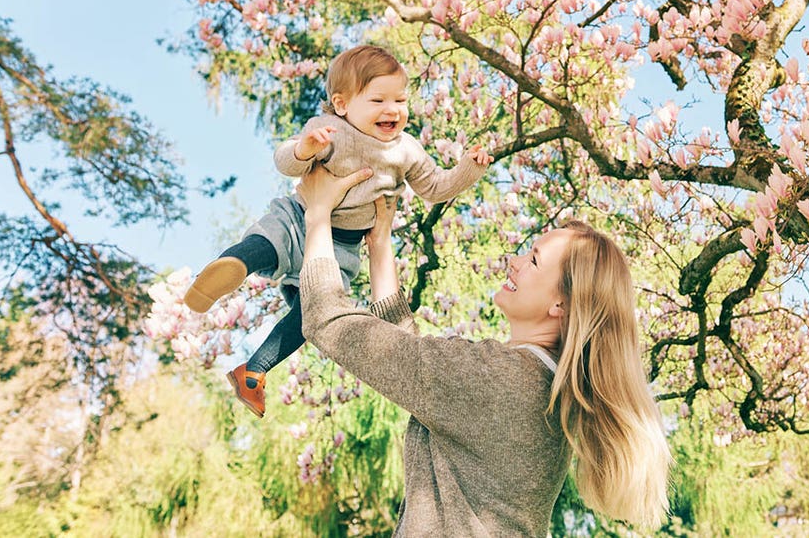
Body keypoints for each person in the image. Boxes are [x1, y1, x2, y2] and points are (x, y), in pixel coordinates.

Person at [295, 163, 672, 534]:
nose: (514, 262)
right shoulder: (543, 388)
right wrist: (380, 244)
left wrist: (318, 214)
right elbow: (411, 363)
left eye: (534, 260)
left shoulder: (500, 379)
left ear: (562, 305)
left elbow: (328, 321)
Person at [184, 44, 489, 417]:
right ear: (342, 104)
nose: (392, 109)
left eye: (400, 99)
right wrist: (304, 149)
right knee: (268, 242)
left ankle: (253, 372)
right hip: (300, 217)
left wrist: (468, 169)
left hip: (340, 249)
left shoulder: (407, 150)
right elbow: (286, 163)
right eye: (378, 99)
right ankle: (227, 270)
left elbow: (435, 188)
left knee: (313, 314)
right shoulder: (330, 131)